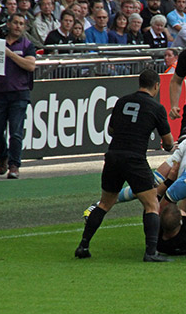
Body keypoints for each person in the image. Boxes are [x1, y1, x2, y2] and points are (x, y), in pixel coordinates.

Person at [76, 69, 175, 262]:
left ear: (140, 83)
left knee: (105, 203)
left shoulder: (122, 101)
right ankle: (151, 253)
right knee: (152, 204)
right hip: (134, 158)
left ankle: (83, 245)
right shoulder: (156, 108)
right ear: (156, 86)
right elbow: (168, 142)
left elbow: (111, 129)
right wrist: (168, 146)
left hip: (113, 156)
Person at [0, 13, 36, 180]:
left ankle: (14, 165)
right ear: (8, 24)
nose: (18, 26)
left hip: (19, 93)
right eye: (15, 22)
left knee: (16, 132)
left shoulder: (27, 45)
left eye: (21, 23)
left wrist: (10, 54)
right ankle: (3, 155)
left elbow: (30, 65)